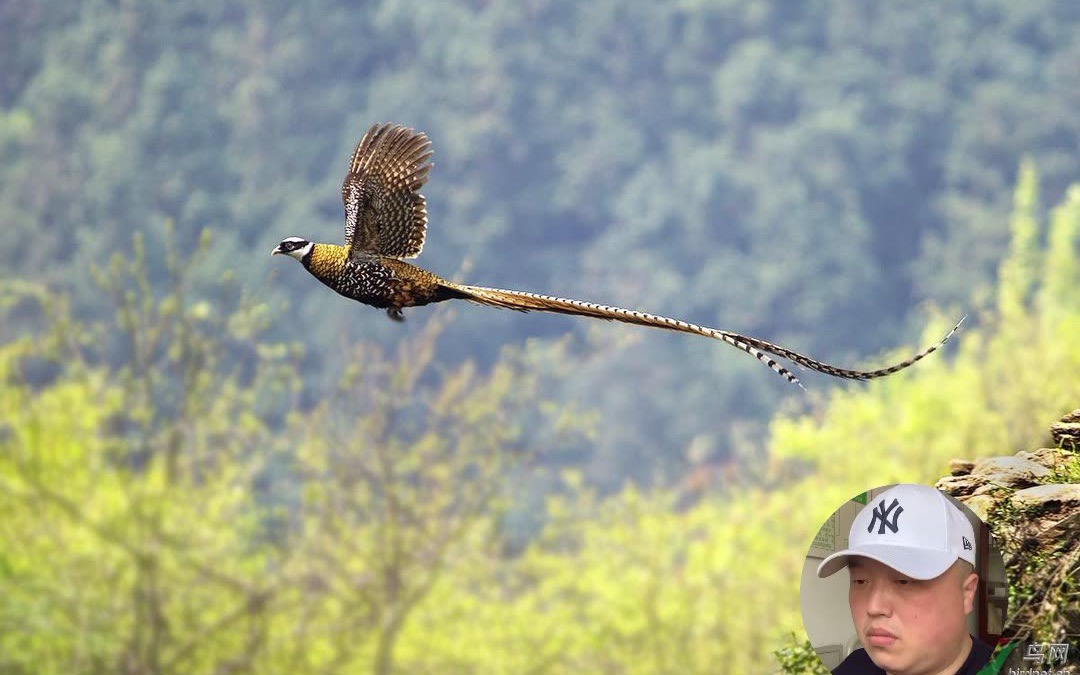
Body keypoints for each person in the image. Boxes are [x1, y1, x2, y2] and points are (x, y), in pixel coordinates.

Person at [816, 484, 993, 675]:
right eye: (860, 581)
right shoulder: (853, 666)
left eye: (904, 581)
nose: (874, 607)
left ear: (967, 593)